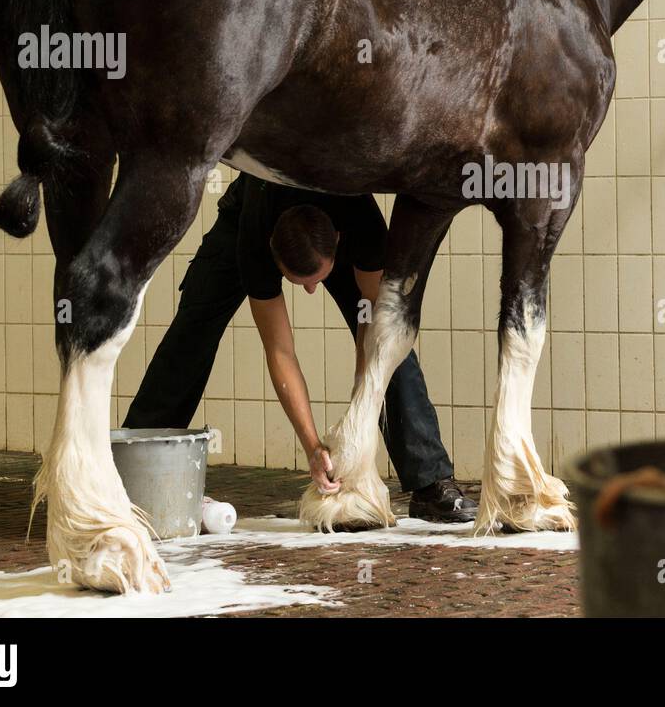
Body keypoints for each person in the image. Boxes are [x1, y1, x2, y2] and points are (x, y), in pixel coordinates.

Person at [123, 172, 477, 523]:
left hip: (337, 205)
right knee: (192, 331)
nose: (310, 292)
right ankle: (130, 472)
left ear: (338, 240)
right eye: (299, 284)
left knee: (390, 342)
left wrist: (361, 415)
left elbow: (373, 329)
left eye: (315, 282)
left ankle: (430, 482)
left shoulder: (363, 227)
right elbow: (280, 351)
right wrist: (312, 449)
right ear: (274, 258)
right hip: (249, 210)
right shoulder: (255, 246)